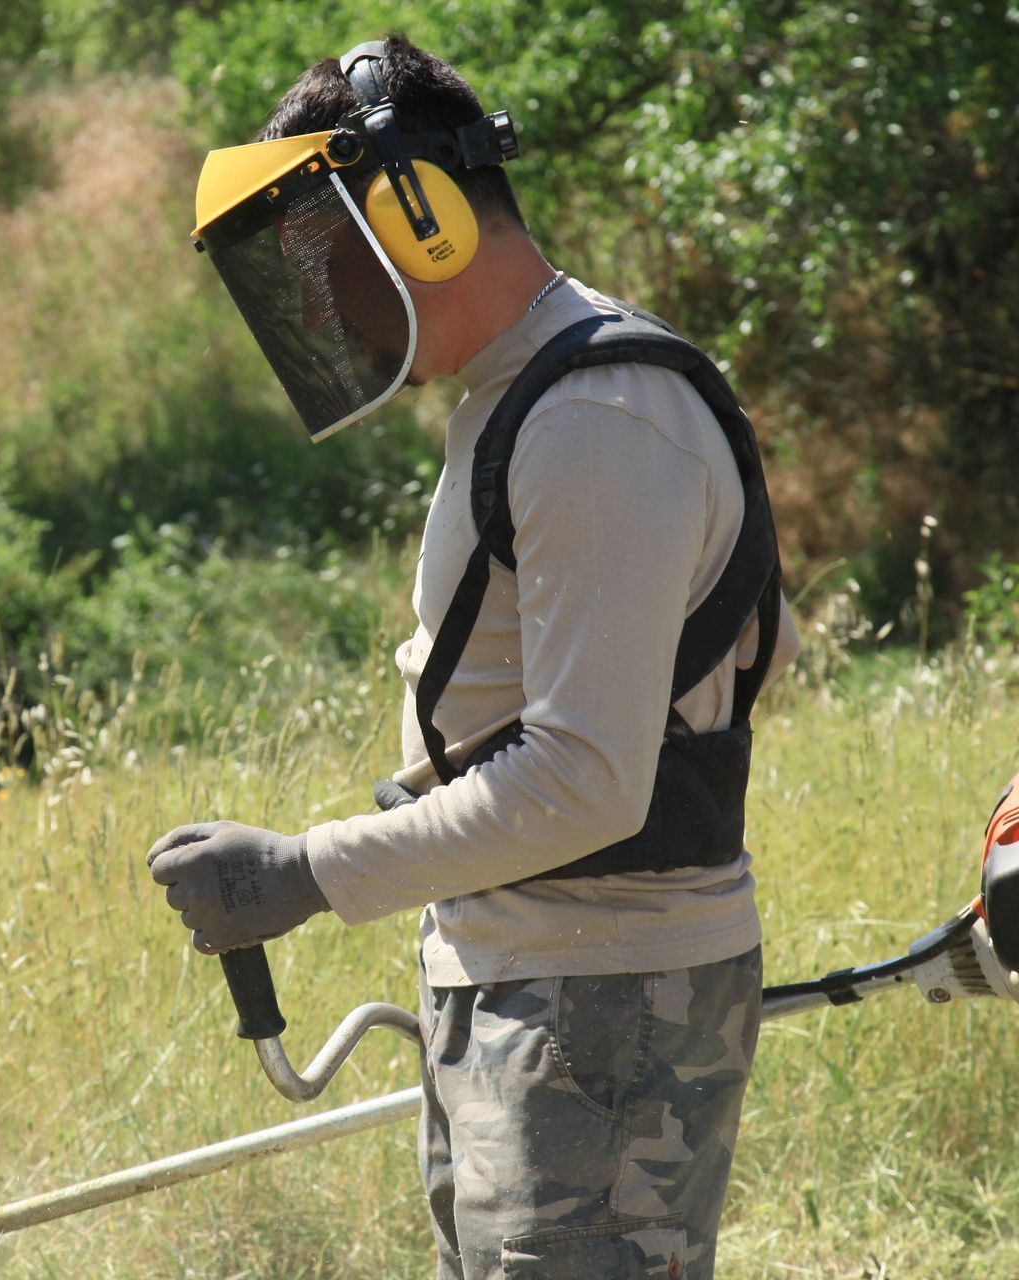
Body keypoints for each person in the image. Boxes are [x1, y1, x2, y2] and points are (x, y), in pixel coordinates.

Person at [148, 35, 799, 1280]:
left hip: (598, 1001)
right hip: (543, 980)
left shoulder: (595, 419)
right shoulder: (526, 398)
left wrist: (305, 869)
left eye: (330, 261)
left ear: (425, 217)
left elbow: (587, 779)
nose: (324, 306)